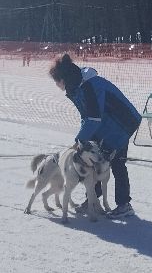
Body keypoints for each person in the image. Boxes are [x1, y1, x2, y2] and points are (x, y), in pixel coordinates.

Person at [48, 53, 142, 218]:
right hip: (105, 124)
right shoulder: (76, 86)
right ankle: (93, 200)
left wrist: (79, 141)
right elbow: (87, 117)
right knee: (93, 161)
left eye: (56, 81)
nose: (56, 85)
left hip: (122, 124)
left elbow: (93, 118)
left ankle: (124, 204)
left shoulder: (90, 86)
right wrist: (81, 140)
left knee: (117, 163)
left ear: (63, 78)